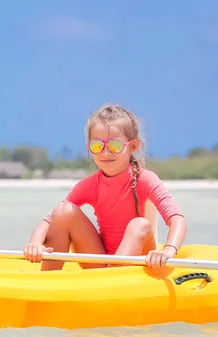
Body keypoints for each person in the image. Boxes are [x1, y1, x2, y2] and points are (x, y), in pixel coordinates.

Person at [23, 103, 187, 271]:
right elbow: (49, 220)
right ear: (89, 148)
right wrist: (35, 244)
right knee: (63, 211)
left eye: (115, 145)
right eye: (97, 146)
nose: (105, 153)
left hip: (138, 259)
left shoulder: (145, 179)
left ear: (133, 146)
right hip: (102, 261)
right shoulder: (90, 185)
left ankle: (112, 278)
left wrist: (168, 250)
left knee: (140, 224)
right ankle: (48, 281)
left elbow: (177, 218)